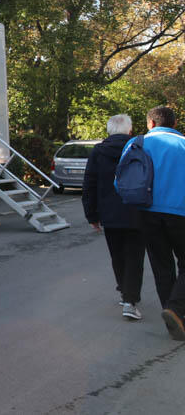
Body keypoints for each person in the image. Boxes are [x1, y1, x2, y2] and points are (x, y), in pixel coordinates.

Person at [120, 106, 185, 341]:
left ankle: (174, 319)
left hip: (146, 212)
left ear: (151, 123)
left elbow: (120, 180)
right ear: (174, 124)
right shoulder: (183, 144)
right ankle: (176, 310)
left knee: (162, 266)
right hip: (181, 213)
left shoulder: (136, 143)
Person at [82, 114, 145, 320]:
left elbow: (89, 184)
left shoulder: (98, 152)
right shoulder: (139, 148)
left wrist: (91, 215)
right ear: (130, 130)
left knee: (117, 255)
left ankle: (125, 293)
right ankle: (130, 301)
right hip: (137, 211)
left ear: (108, 131)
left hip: (109, 213)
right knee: (135, 257)